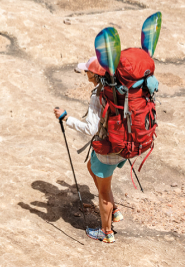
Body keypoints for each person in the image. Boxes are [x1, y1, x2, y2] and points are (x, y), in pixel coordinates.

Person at [53, 59, 126, 243]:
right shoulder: (117, 87)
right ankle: (114, 212)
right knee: (91, 167)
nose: (85, 73)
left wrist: (66, 118)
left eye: (87, 71)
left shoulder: (99, 95)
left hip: (108, 149)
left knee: (104, 191)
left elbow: (90, 129)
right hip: (122, 144)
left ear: (94, 74)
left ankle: (107, 233)